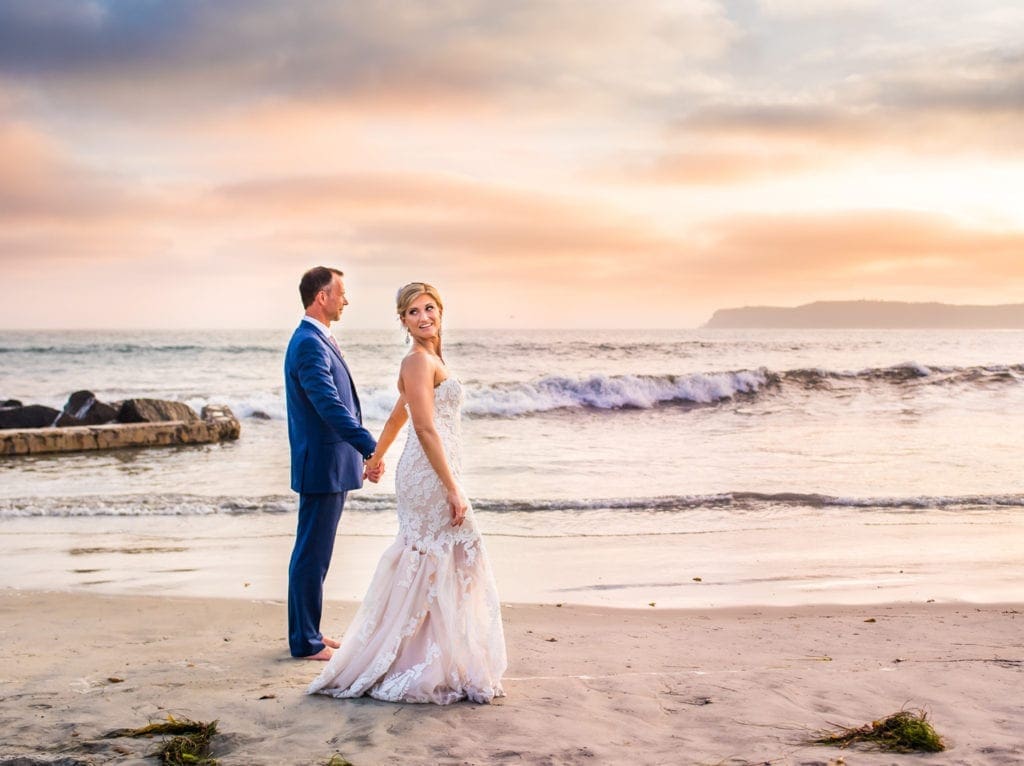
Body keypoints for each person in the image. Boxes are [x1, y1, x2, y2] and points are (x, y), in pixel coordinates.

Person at [308, 281, 506, 704]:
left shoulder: (430, 359)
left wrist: (375, 458)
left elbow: (398, 415)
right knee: (452, 554)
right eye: (413, 312)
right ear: (403, 321)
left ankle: (435, 657)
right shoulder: (417, 361)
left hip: (435, 470)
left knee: (439, 562)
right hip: (430, 476)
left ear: (440, 312)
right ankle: (419, 660)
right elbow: (422, 426)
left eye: (429, 308)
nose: (424, 317)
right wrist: (453, 488)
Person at [284, 266, 383, 661]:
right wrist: (368, 445)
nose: (346, 300)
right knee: (311, 553)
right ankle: (305, 642)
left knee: (316, 554)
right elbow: (328, 405)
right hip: (321, 464)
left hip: (329, 463)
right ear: (321, 297)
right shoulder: (309, 342)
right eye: (340, 293)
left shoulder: (317, 339)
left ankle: (311, 632)